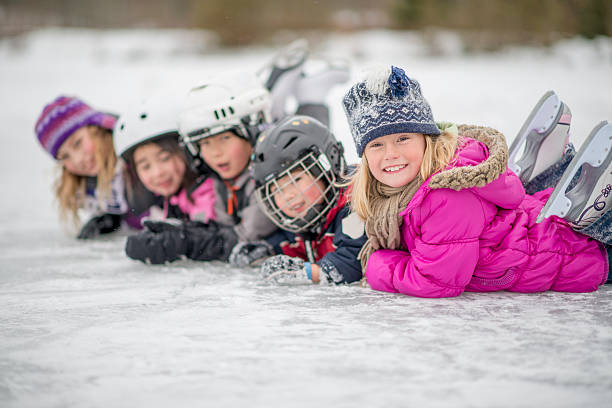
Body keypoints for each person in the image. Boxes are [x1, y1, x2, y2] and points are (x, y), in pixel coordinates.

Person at [343, 65, 610, 298]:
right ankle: (554, 176)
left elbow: (436, 281)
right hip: (539, 240)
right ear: (364, 156)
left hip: (577, 259)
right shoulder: (392, 192)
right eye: (377, 144)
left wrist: (377, 266)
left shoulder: (444, 196)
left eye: (403, 139)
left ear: (427, 139)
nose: (391, 154)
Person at [229, 115, 367, 285]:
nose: (288, 195)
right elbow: (288, 242)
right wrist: (265, 249)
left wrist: (308, 273)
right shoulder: (304, 219)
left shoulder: (354, 203)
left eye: (296, 180)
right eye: (276, 190)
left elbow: (354, 260)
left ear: (327, 164)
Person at [113, 90, 223, 265]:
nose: (157, 173)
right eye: (145, 166)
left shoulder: (211, 190)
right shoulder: (170, 198)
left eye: (165, 158)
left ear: (186, 150)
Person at [35, 95, 128, 239]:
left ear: (97, 128)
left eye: (78, 143)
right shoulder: (91, 190)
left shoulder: (138, 156)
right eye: (65, 156)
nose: (78, 160)